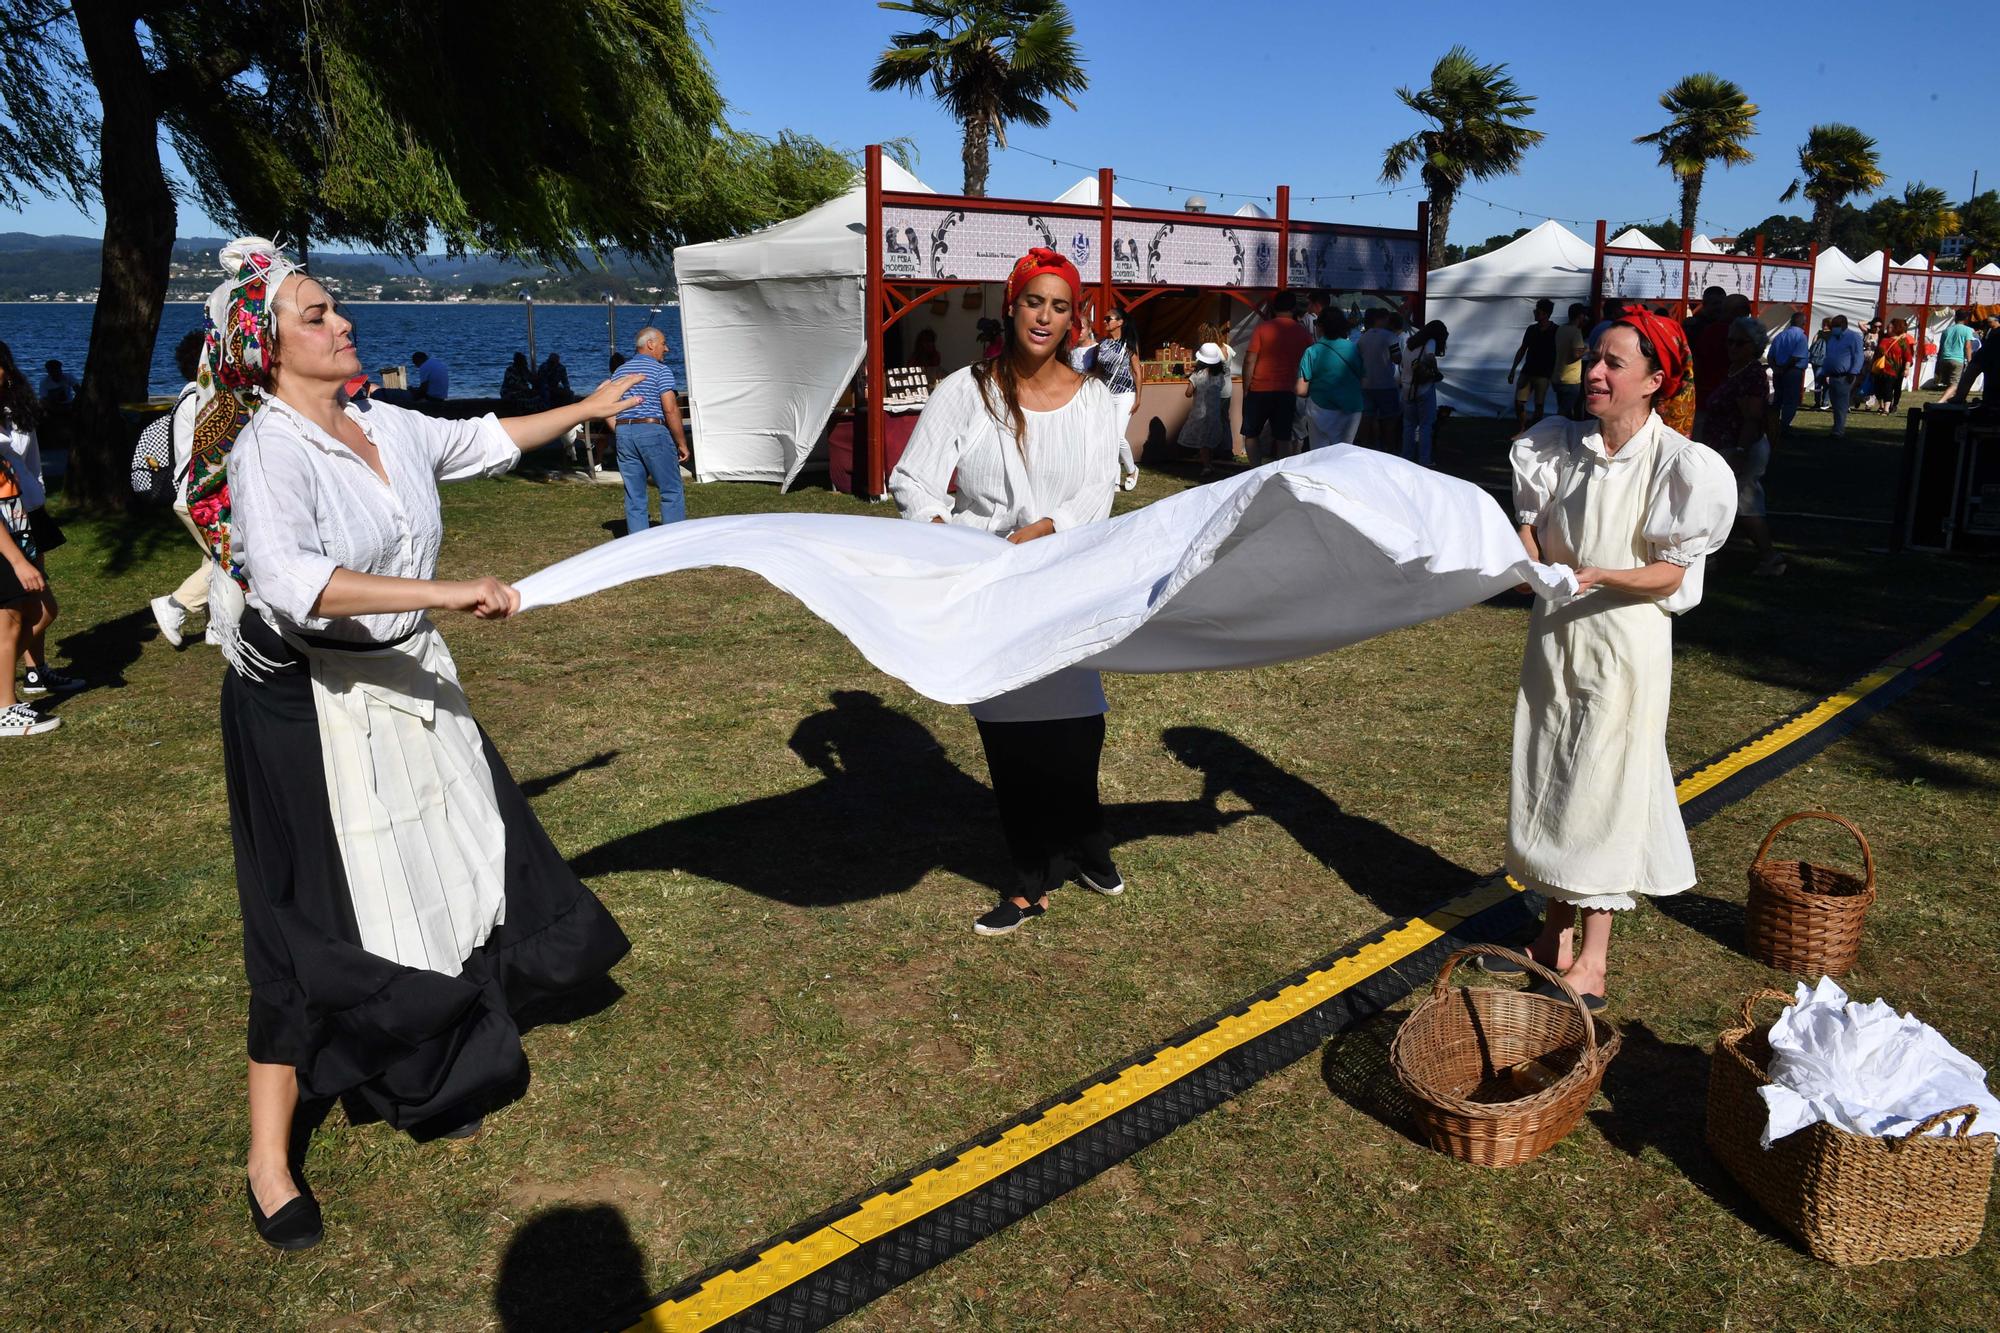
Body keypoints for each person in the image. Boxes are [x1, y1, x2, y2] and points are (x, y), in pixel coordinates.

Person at [190, 238, 636, 1250]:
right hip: (299, 702)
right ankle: (268, 1159)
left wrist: (586, 409)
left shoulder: (382, 419)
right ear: (266, 350)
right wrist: (448, 590)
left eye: (337, 308)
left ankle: (429, 1056)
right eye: (315, 314)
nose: (342, 321)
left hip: (404, 677)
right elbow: (296, 583)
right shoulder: (271, 448)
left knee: (443, 856)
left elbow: (483, 438)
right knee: (302, 923)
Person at [888, 246, 1124, 936]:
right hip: (990, 584)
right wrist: (948, 539)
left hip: (1067, 581)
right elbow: (915, 481)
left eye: (1059, 305)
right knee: (1013, 742)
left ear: (1074, 317)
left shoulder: (1095, 402)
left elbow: (1098, 491)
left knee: (1080, 732)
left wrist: (1046, 529)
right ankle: (1028, 882)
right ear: (1010, 306)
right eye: (1033, 301)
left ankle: (1086, 837)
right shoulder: (965, 391)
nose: (1044, 316)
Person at [1504, 307, 1736, 1008]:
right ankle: (1552, 938)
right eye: (1594, 359)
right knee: (1548, 770)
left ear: (1654, 380)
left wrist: (1602, 575)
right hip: (1557, 637)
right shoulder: (1558, 447)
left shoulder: (1679, 466)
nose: (1595, 373)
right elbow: (1533, 530)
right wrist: (1527, 554)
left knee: (1603, 785)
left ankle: (1595, 960)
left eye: (1613, 363)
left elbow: (1670, 573)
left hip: (1623, 646)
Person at [0, 341, 81, 698]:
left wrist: (39, 496)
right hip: (8, 517)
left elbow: (31, 463)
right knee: (31, 606)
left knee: (37, 603)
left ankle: (37, 670)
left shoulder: (17, 412)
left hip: (31, 512)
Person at [1701, 316, 1785, 575]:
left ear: (1755, 345)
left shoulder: (1751, 374)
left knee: (1744, 504)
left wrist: (1739, 451)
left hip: (1741, 448)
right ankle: (1709, 557)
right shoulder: (1735, 370)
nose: (1732, 347)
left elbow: (1752, 417)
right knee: (1721, 502)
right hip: (1726, 446)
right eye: (1730, 342)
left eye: (1740, 343)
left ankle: (1770, 558)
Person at [150, 329, 218, 648]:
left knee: (214, 557)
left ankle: (217, 624)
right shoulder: (202, 399)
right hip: (202, 495)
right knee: (234, 561)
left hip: (192, 494)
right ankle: (175, 605)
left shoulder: (187, 396)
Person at [0, 424, 57, 735]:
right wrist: (18, 560)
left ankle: (4, 697)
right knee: (10, 622)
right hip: (5, 543)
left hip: (15, 529)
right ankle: (4, 709)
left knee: (39, 610)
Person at [612, 327, 691, 532]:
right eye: (663, 343)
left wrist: (620, 430)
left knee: (634, 493)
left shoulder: (620, 371)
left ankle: (638, 544)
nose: (667, 349)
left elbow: (610, 405)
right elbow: (670, 408)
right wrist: (682, 442)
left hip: (624, 431)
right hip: (651, 429)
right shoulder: (661, 370)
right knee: (671, 489)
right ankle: (674, 539)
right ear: (650, 344)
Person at [1069, 307, 1142, 490]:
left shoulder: (1129, 344)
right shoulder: (1103, 344)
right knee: (1108, 437)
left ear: (1120, 322)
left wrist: (1139, 397)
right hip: (1107, 393)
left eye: (1108, 318)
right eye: (1104, 318)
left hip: (1125, 392)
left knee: (1117, 436)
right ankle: (1114, 480)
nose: (1105, 321)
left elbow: (1137, 371)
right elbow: (1097, 370)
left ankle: (1132, 470)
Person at [1239, 292, 1314, 465]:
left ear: (1273, 307)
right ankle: (1282, 471)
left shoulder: (1262, 328)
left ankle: (1255, 468)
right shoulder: (1302, 333)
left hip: (1259, 388)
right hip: (1287, 390)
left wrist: (1246, 388)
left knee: (1251, 434)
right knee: (1283, 436)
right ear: (1294, 308)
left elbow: (1250, 360)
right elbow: (1309, 361)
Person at [1294, 311, 1364, 449]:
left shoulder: (1312, 351)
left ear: (1321, 327)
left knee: (1321, 456)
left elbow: (1301, 390)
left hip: (1320, 409)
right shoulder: (1354, 349)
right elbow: (1363, 379)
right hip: (1351, 409)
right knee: (1344, 454)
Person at [1399, 319, 1448, 467]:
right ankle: (1424, 460)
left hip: (1407, 387)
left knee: (1408, 425)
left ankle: (1406, 457)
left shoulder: (1410, 343)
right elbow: (1430, 356)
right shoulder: (1430, 341)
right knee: (1426, 426)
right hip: (1423, 387)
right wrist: (1436, 372)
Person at [1507, 298, 1559, 431]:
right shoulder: (1531, 329)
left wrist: (1555, 373)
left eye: (1537, 311)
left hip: (1544, 373)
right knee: (1519, 402)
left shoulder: (1556, 330)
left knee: (1539, 404)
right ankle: (1522, 429)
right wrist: (1513, 369)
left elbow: (1560, 353)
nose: (1534, 313)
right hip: (1528, 370)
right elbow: (1522, 349)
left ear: (1545, 314)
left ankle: (1534, 431)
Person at [1355, 308, 1403, 449]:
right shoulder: (1390, 336)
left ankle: (1365, 446)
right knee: (1389, 420)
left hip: (1366, 384)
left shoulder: (1362, 337)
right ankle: (1389, 449)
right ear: (1383, 319)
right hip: (1386, 384)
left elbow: (1357, 359)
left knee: (1367, 418)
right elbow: (1397, 358)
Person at [1183, 341, 1232, 475]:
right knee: (1209, 439)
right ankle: (1209, 463)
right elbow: (1220, 387)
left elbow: (1188, 393)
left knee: (1203, 441)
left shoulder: (1197, 376)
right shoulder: (1219, 375)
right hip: (1214, 412)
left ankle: (1206, 466)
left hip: (1199, 413)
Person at [1820, 315, 1866, 436]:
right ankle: (1836, 427)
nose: (1834, 328)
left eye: (1836, 326)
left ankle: (1839, 430)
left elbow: (1858, 355)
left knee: (1841, 403)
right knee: (1835, 403)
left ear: (1844, 325)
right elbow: (1828, 355)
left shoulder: (1853, 337)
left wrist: (1853, 372)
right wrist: (1825, 371)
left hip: (1845, 375)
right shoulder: (1832, 338)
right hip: (1832, 374)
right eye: (1833, 326)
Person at [1767, 311, 1810, 435]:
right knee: (1790, 399)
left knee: (1778, 398)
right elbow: (1796, 357)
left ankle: (1773, 423)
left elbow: (1771, 356)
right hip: (1792, 371)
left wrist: (1776, 368)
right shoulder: (1801, 337)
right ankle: (1785, 425)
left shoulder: (1780, 335)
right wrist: (1784, 368)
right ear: (1802, 323)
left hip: (1779, 370)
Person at [1870, 317, 1914, 413]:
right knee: (1879, 388)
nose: (1887, 328)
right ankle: (1881, 406)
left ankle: (1887, 408)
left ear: (1896, 328)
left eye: (1890, 327)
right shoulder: (1884, 338)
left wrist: (1906, 369)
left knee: (1889, 388)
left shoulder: (1902, 341)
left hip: (1895, 369)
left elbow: (1908, 357)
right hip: (1880, 367)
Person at [1554, 304, 1590, 420]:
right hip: (1571, 379)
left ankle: (1561, 434)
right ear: (1580, 316)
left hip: (1557, 376)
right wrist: (1587, 350)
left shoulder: (1561, 328)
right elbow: (1576, 354)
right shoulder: (1576, 332)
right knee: (1564, 411)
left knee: (1564, 410)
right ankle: (1554, 432)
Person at [1934, 310, 1973, 391]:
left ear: (1955, 317)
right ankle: (1945, 400)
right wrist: (1970, 360)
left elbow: (1941, 346)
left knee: (1948, 383)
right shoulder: (1968, 330)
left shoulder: (1946, 330)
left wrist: (1938, 360)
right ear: (1966, 318)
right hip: (1957, 359)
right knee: (1954, 384)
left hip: (1944, 358)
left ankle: (1949, 399)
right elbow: (1967, 346)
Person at [1807, 317, 1831, 411]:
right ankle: (1825, 403)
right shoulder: (1833, 335)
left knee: (1817, 383)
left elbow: (1812, 345)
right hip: (1827, 361)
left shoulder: (1819, 333)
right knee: (1826, 383)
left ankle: (1817, 403)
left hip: (1816, 361)